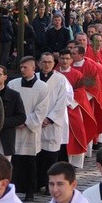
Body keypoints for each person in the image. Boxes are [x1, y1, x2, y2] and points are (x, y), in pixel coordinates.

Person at [7, 57, 51, 202]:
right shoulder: (12, 84)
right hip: (15, 129)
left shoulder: (42, 87)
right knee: (14, 161)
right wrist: (15, 121)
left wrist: (24, 122)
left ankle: (30, 191)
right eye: (21, 67)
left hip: (30, 130)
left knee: (30, 162)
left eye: (25, 67)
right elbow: (8, 105)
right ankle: (12, 190)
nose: (22, 70)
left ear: (34, 68)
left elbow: (41, 109)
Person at [37, 53, 71, 188]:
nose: (46, 65)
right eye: (44, 62)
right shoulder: (34, 78)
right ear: (39, 63)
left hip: (53, 122)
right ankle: (38, 182)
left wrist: (49, 119)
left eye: (49, 62)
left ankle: (50, 183)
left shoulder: (61, 79)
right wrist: (38, 118)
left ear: (54, 63)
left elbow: (62, 101)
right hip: (37, 122)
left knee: (51, 154)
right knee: (37, 154)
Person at [0, 65, 26, 159]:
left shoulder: (14, 95)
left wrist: (1, 122)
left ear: (5, 77)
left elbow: (21, 117)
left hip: (6, 137)